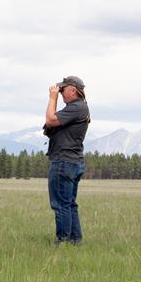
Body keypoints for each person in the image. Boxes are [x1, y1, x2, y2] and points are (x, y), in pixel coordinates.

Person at [43, 76, 90, 245]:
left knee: (60, 204)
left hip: (64, 161)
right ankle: (75, 240)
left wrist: (52, 98)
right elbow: (52, 123)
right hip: (73, 161)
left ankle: (62, 241)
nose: (61, 92)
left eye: (64, 89)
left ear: (73, 90)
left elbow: (50, 120)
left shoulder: (76, 108)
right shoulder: (79, 108)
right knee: (69, 203)